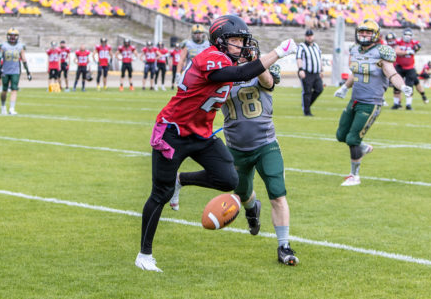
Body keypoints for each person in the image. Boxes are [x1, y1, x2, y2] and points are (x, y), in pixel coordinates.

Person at [135, 14, 297, 272]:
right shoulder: (210, 56)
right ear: (220, 41)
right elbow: (243, 72)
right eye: (236, 40)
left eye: (243, 40)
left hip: (201, 133)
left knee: (229, 180)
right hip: (173, 133)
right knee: (160, 194)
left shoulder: (226, 59)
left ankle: (181, 180)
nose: (242, 45)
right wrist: (279, 52)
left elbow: (259, 78)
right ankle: (144, 254)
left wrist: (261, 62)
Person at [221, 42, 298, 266]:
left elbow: (268, 82)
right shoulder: (223, 73)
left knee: (277, 194)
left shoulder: (262, 69)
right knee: (243, 193)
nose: (242, 53)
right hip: (236, 146)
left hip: (265, 144)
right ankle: (252, 209)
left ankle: (284, 246)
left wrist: (257, 63)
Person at [333, 19, 413, 186]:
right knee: (341, 135)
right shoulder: (354, 50)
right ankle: (363, 148)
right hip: (355, 99)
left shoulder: (382, 52)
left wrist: (402, 86)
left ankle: (354, 176)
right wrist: (344, 88)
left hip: (371, 102)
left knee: (352, 139)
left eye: (368, 32)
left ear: (375, 35)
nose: (364, 35)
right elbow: (355, 73)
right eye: (362, 31)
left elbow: (391, 73)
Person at [391, 28, 428, 110]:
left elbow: (418, 46)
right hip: (399, 66)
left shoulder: (414, 43)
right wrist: (407, 52)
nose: (407, 37)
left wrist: (417, 48)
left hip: (410, 67)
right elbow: (396, 51)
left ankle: (408, 104)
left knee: (409, 86)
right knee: (397, 85)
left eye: (409, 35)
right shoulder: (398, 42)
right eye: (406, 35)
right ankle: (396, 104)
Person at [0, 28, 32, 115]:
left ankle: (12, 109)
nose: (13, 37)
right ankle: (3, 106)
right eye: (11, 35)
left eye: (14, 35)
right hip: (5, 71)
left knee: (14, 89)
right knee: (4, 90)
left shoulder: (20, 46)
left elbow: (23, 59)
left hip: (15, 71)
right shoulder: (4, 46)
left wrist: (28, 71)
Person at [296, 29, 324, 116]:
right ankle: (307, 112)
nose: (309, 37)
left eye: (311, 35)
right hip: (306, 72)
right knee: (307, 91)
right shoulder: (302, 46)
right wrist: (300, 69)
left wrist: (321, 70)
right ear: (305, 37)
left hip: (316, 73)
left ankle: (306, 104)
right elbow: (299, 58)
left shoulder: (316, 46)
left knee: (319, 89)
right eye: (308, 36)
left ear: (313, 36)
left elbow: (319, 59)